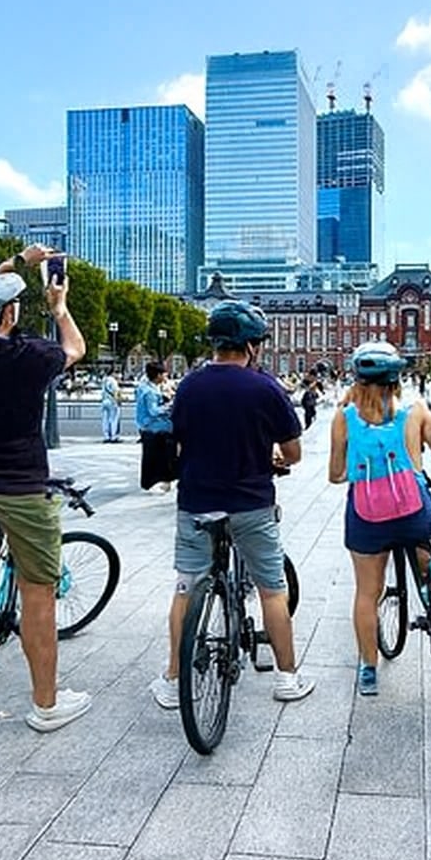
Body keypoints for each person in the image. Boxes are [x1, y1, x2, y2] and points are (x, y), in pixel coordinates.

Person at [0, 244, 91, 733]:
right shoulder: (31, 357)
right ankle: (47, 704)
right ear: (9, 314)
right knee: (38, 592)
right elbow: (76, 349)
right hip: (21, 489)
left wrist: (16, 262)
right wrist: (59, 306)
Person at [151, 300, 314, 707]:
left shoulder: (188, 385)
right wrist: (274, 458)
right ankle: (287, 679)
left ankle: (173, 681)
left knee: (186, 588)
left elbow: (181, 437)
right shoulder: (265, 388)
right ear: (252, 346)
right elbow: (292, 452)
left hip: (197, 504)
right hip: (251, 504)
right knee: (272, 590)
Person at [328, 342, 431, 696]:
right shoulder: (415, 410)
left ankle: (368, 668)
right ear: (397, 379)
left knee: (367, 592)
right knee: (429, 561)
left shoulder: (344, 416)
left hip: (367, 517)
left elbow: (335, 474)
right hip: (413, 511)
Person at [136, 361, 175, 492]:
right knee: (159, 456)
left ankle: (157, 480)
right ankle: (161, 480)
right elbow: (153, 411)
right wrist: (169, 406)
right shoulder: (150, 392)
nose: (166, 376)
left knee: (151, 457)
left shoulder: (146, 387)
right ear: (158, 375)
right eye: (164, 374)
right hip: (153, 427)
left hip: (148, 426)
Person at [100, 370, 122, 443]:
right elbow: (116, 392)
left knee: (105, 420)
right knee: (113, 420)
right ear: (113, 373)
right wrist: (118, 401)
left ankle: (106, 436)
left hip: (104, 401)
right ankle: (113, 437)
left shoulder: (104, 380)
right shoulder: (113, 381)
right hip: (112, 401)